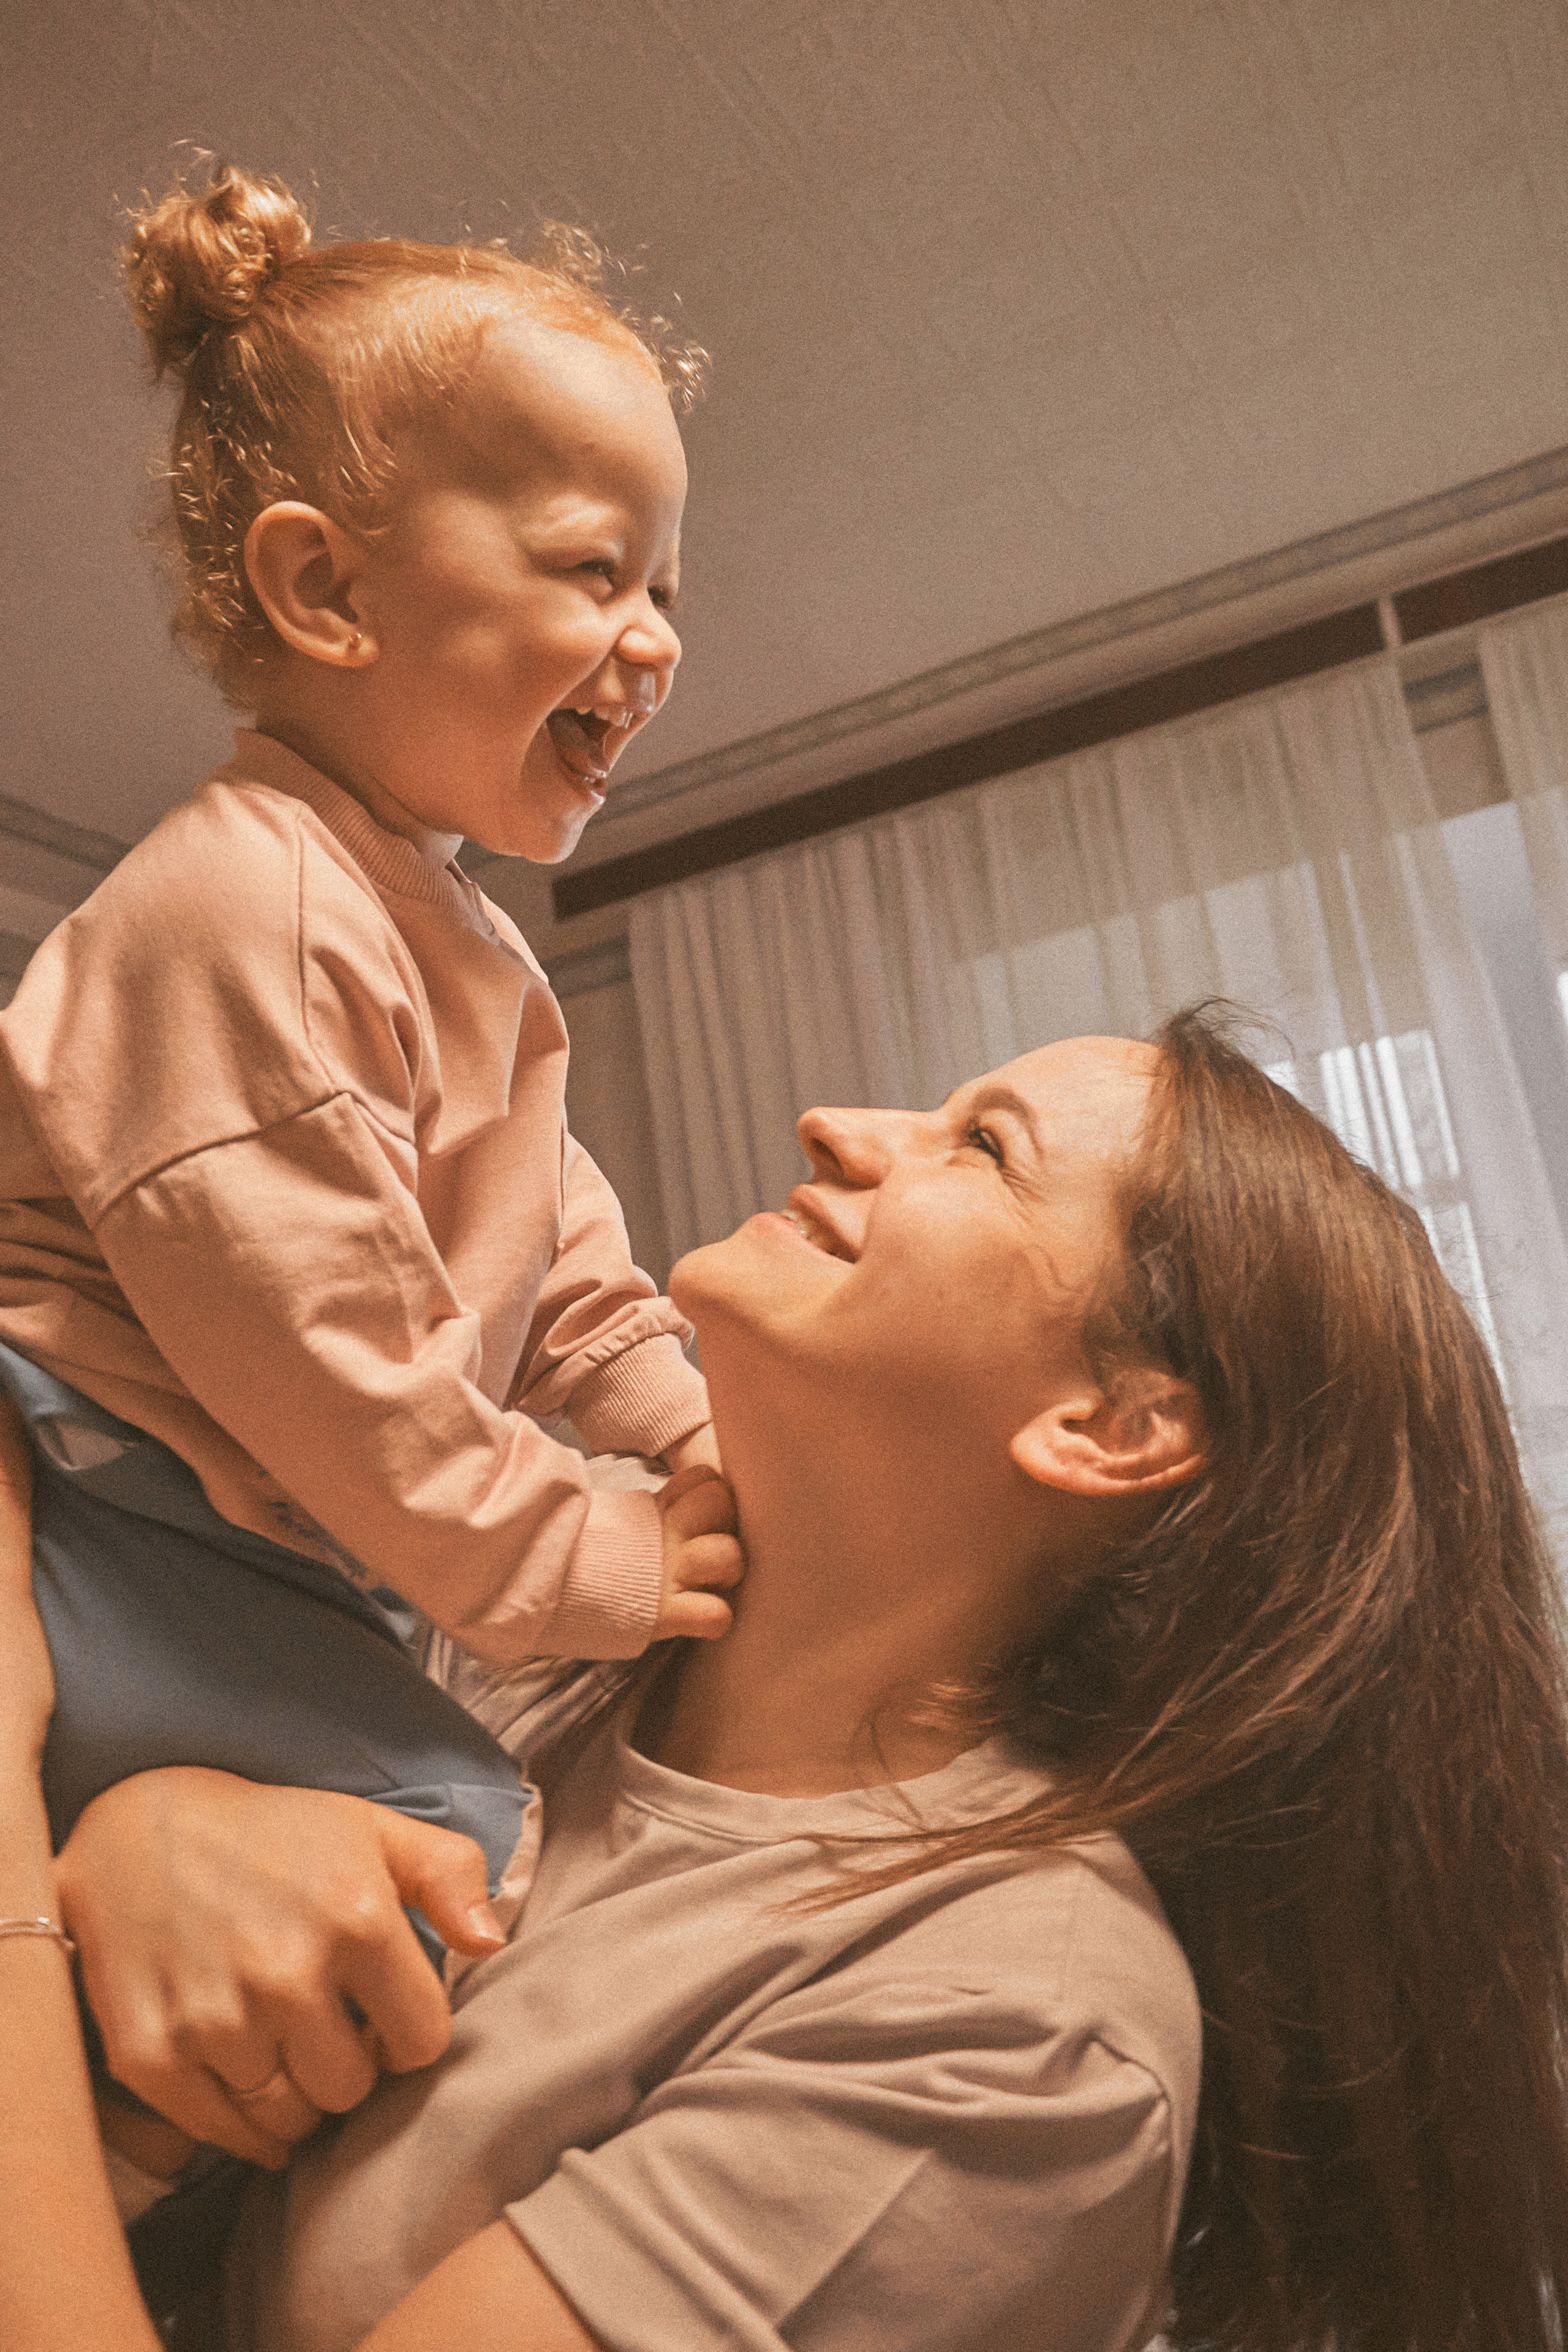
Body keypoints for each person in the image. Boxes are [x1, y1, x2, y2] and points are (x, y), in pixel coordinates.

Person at [4, 1008, 1567, 2351]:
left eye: (981, 1147)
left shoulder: (1012, 2037)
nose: (837, 1125)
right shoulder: (532, 1677)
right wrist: (147, 1830)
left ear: (1106, 1427)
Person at [0, 164, 743, 1936]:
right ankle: (89, 2169)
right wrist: (595, 1553)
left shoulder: (448, 932)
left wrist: (690, 1428)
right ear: (327, 589)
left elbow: (557, 1256)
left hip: (249, 1510)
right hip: (99, 1498)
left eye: (664, 581)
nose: (656, 639)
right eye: (595, 567)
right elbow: (339, 1362)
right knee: (452, 1839)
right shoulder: (240, 909)